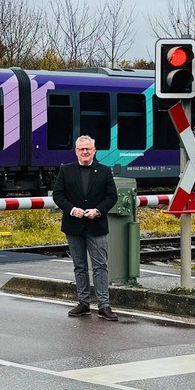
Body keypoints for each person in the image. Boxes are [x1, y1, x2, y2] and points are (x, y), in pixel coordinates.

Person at [51, 135, 119, 321]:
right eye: (81, 149)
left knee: (100, 266)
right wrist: (72, 210)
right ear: (76, 151)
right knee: (79, 266)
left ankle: (104, 306)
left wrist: (97, 211)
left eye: (88, 149)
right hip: (73, 226)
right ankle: (83, 303)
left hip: (97, 225)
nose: (85, 152)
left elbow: (112, 197)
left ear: (94, 151)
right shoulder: (65, 170)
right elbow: (58, 195)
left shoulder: (104, 171)